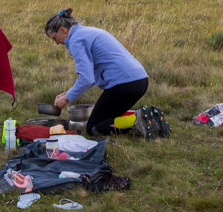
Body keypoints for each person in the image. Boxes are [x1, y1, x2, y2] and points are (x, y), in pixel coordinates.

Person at [44, 8, 168, 139]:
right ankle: (148, 118)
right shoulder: (88, 32)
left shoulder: (76, 40)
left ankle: (138, 119)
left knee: (93, 128)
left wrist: (67, 98)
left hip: (123, 85)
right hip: (140, 81)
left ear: (63, 30)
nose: (57, 43)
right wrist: (67, 94)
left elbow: (87, 79)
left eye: (54, 38)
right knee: (109, 119)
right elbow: (91, 75)